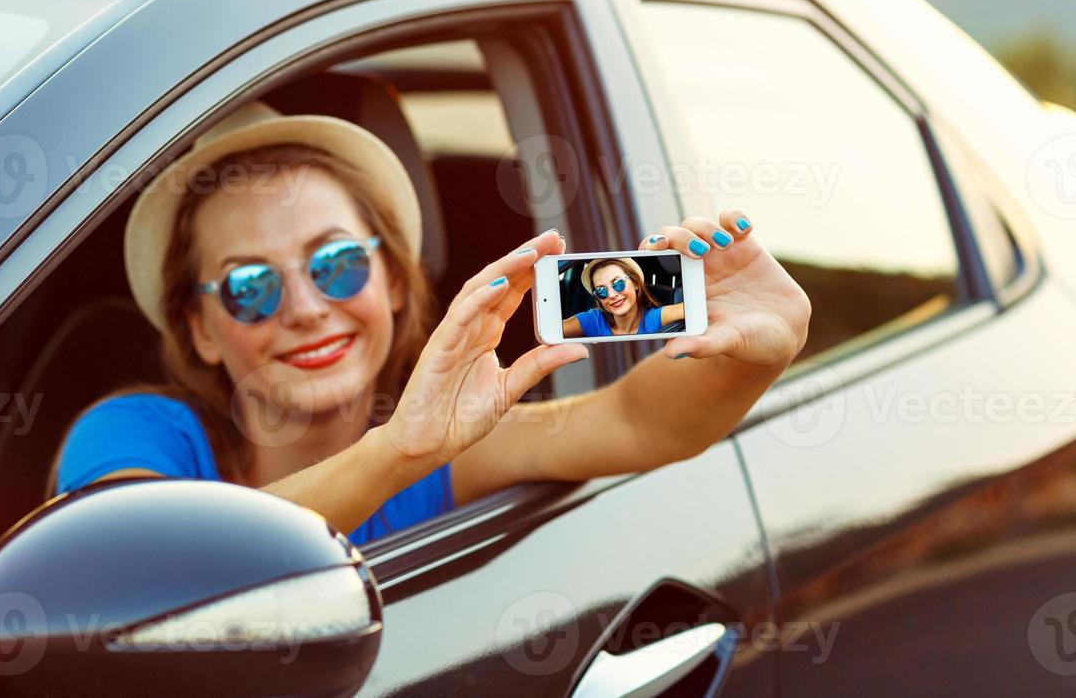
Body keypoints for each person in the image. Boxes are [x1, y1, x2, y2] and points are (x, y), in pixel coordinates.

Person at [54, 102, 811, 545]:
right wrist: (398, 453)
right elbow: (147, 559)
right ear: (200, 330)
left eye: (337, 263)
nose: (308, 307)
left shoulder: (446, 446)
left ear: (390, 279)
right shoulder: (133, 435)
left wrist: (756, 350)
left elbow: (639, 423)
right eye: (251, 288)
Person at [563, 257, 681, 337]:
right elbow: (548, 332)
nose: (612, 295)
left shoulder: (653, 319)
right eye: (601, 291)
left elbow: (694, 308)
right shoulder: (594, 321)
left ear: (635, 283)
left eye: (618, 284)